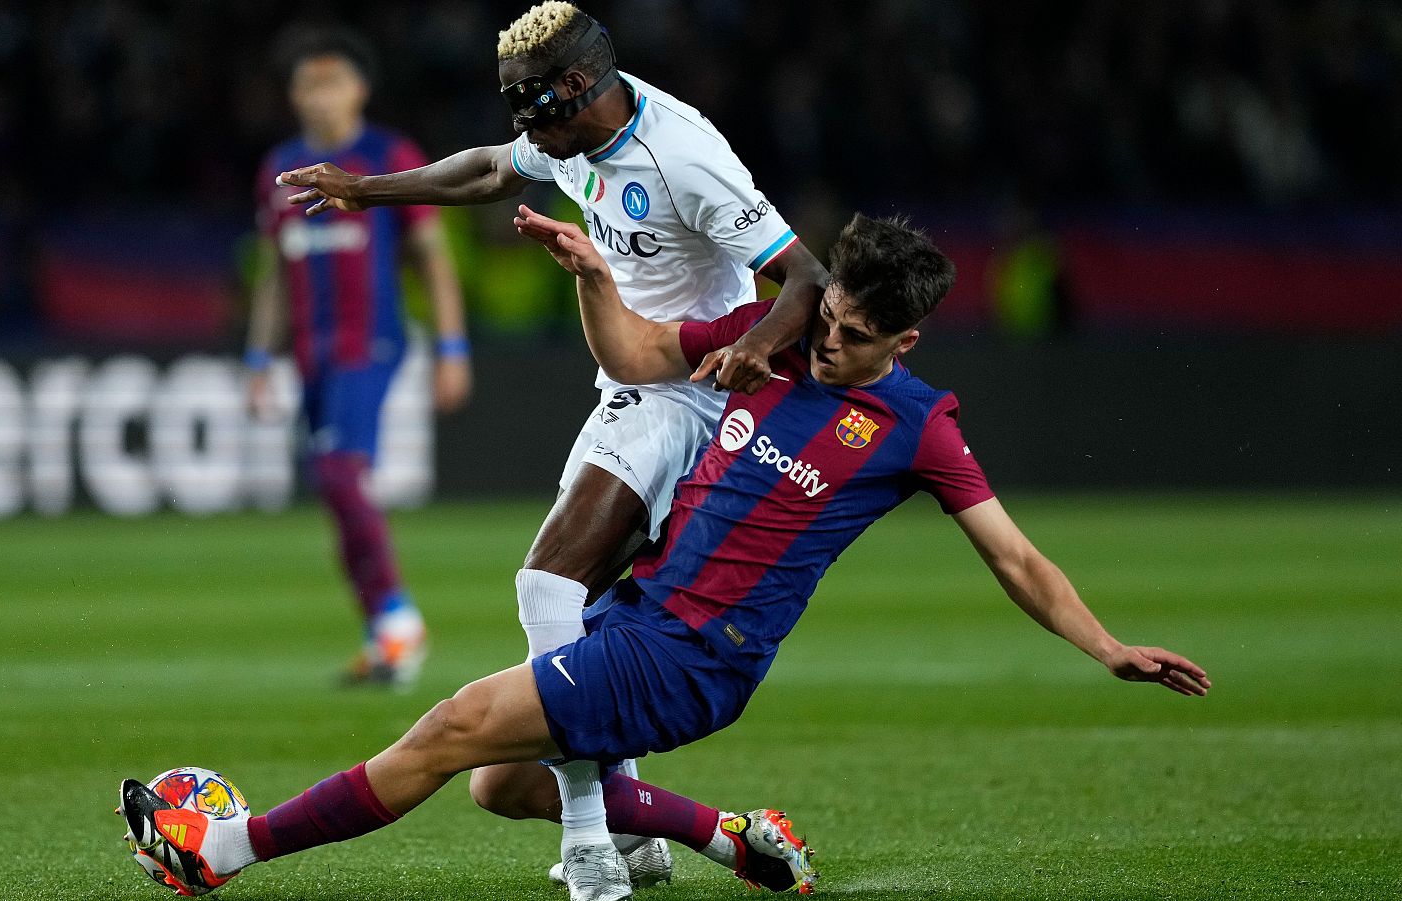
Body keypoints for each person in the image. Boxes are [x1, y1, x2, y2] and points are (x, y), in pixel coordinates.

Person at [119, 209, 1210, 901]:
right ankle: (730, 837)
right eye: (825, 318)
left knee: (450, 725)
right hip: (641, 619)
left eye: (855, 337)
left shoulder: (918, 427)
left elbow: (1015, 558)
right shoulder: (771, 339)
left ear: (903, 342)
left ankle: (223, 852)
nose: (827, 342)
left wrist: (1105, 644)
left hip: (697, 653)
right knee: (497, 787)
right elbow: (638, 351)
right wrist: (595, 273)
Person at [273, 2, 828, 882]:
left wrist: (755, 344)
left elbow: (807, 275)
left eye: (529, 103)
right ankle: (640, 834)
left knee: (546, 582)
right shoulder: (572, 134)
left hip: (684, 396)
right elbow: (492, 170)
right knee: (577, 617)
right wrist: (366, 188)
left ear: (577, 85)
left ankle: (589, 843)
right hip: (627, 387)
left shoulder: (684, 154)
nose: (520, 124)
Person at [247, 27, 473, 689]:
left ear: (360, 89)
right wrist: (260, 355)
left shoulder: (385, 155)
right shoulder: (277, 168)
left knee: (342, 473)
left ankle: (398, 619)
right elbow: (271, 269)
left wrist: (452, 347)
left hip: (370, 342)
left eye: (333, 81)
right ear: (291, 94)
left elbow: (433, 255)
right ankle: (384, 636)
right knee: (332, 483)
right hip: (311, 353)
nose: (320, 95)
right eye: (308, 83)